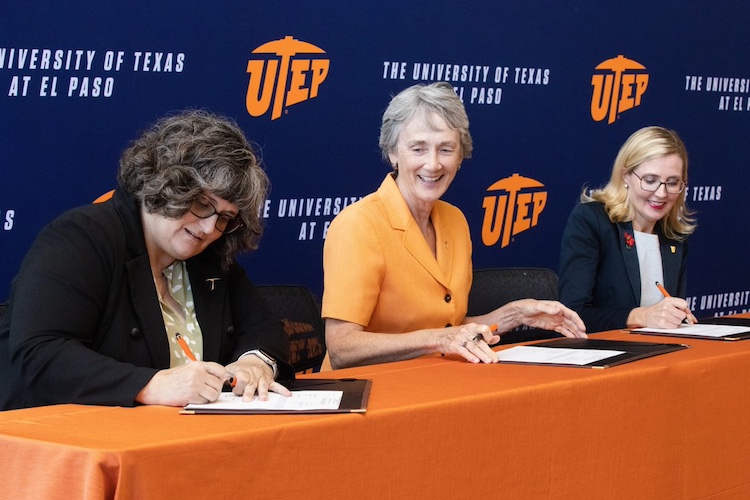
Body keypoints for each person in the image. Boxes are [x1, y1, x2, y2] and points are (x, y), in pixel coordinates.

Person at [0, 110, 293, 410]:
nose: (209, 229)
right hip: (59, 440)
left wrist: (255, 362)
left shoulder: (207, 258)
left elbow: (265, 328)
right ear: (166, 182)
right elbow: (39, 353)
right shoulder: (82, 237)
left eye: (225, 218)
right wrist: (150, 385)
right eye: (202, 204)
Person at [321, 82, 587, 370]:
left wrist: (516, 314)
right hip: (369, 393)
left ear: (461, 157)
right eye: (418, 149)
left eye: (446, 149)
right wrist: (439, 339)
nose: (433, 164)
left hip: (438, 381)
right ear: (393, 153)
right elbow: (342, 347)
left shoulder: (455, 221)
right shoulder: (357, 225)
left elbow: (452, 329)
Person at [558, 126, 697, 333]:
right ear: (626, 176)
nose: (661, 193)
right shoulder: (592, 220)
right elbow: (572, 316)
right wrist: (641, 316)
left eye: (672, 183)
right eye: (650, 181)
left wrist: (676, 317)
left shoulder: (674, 235)